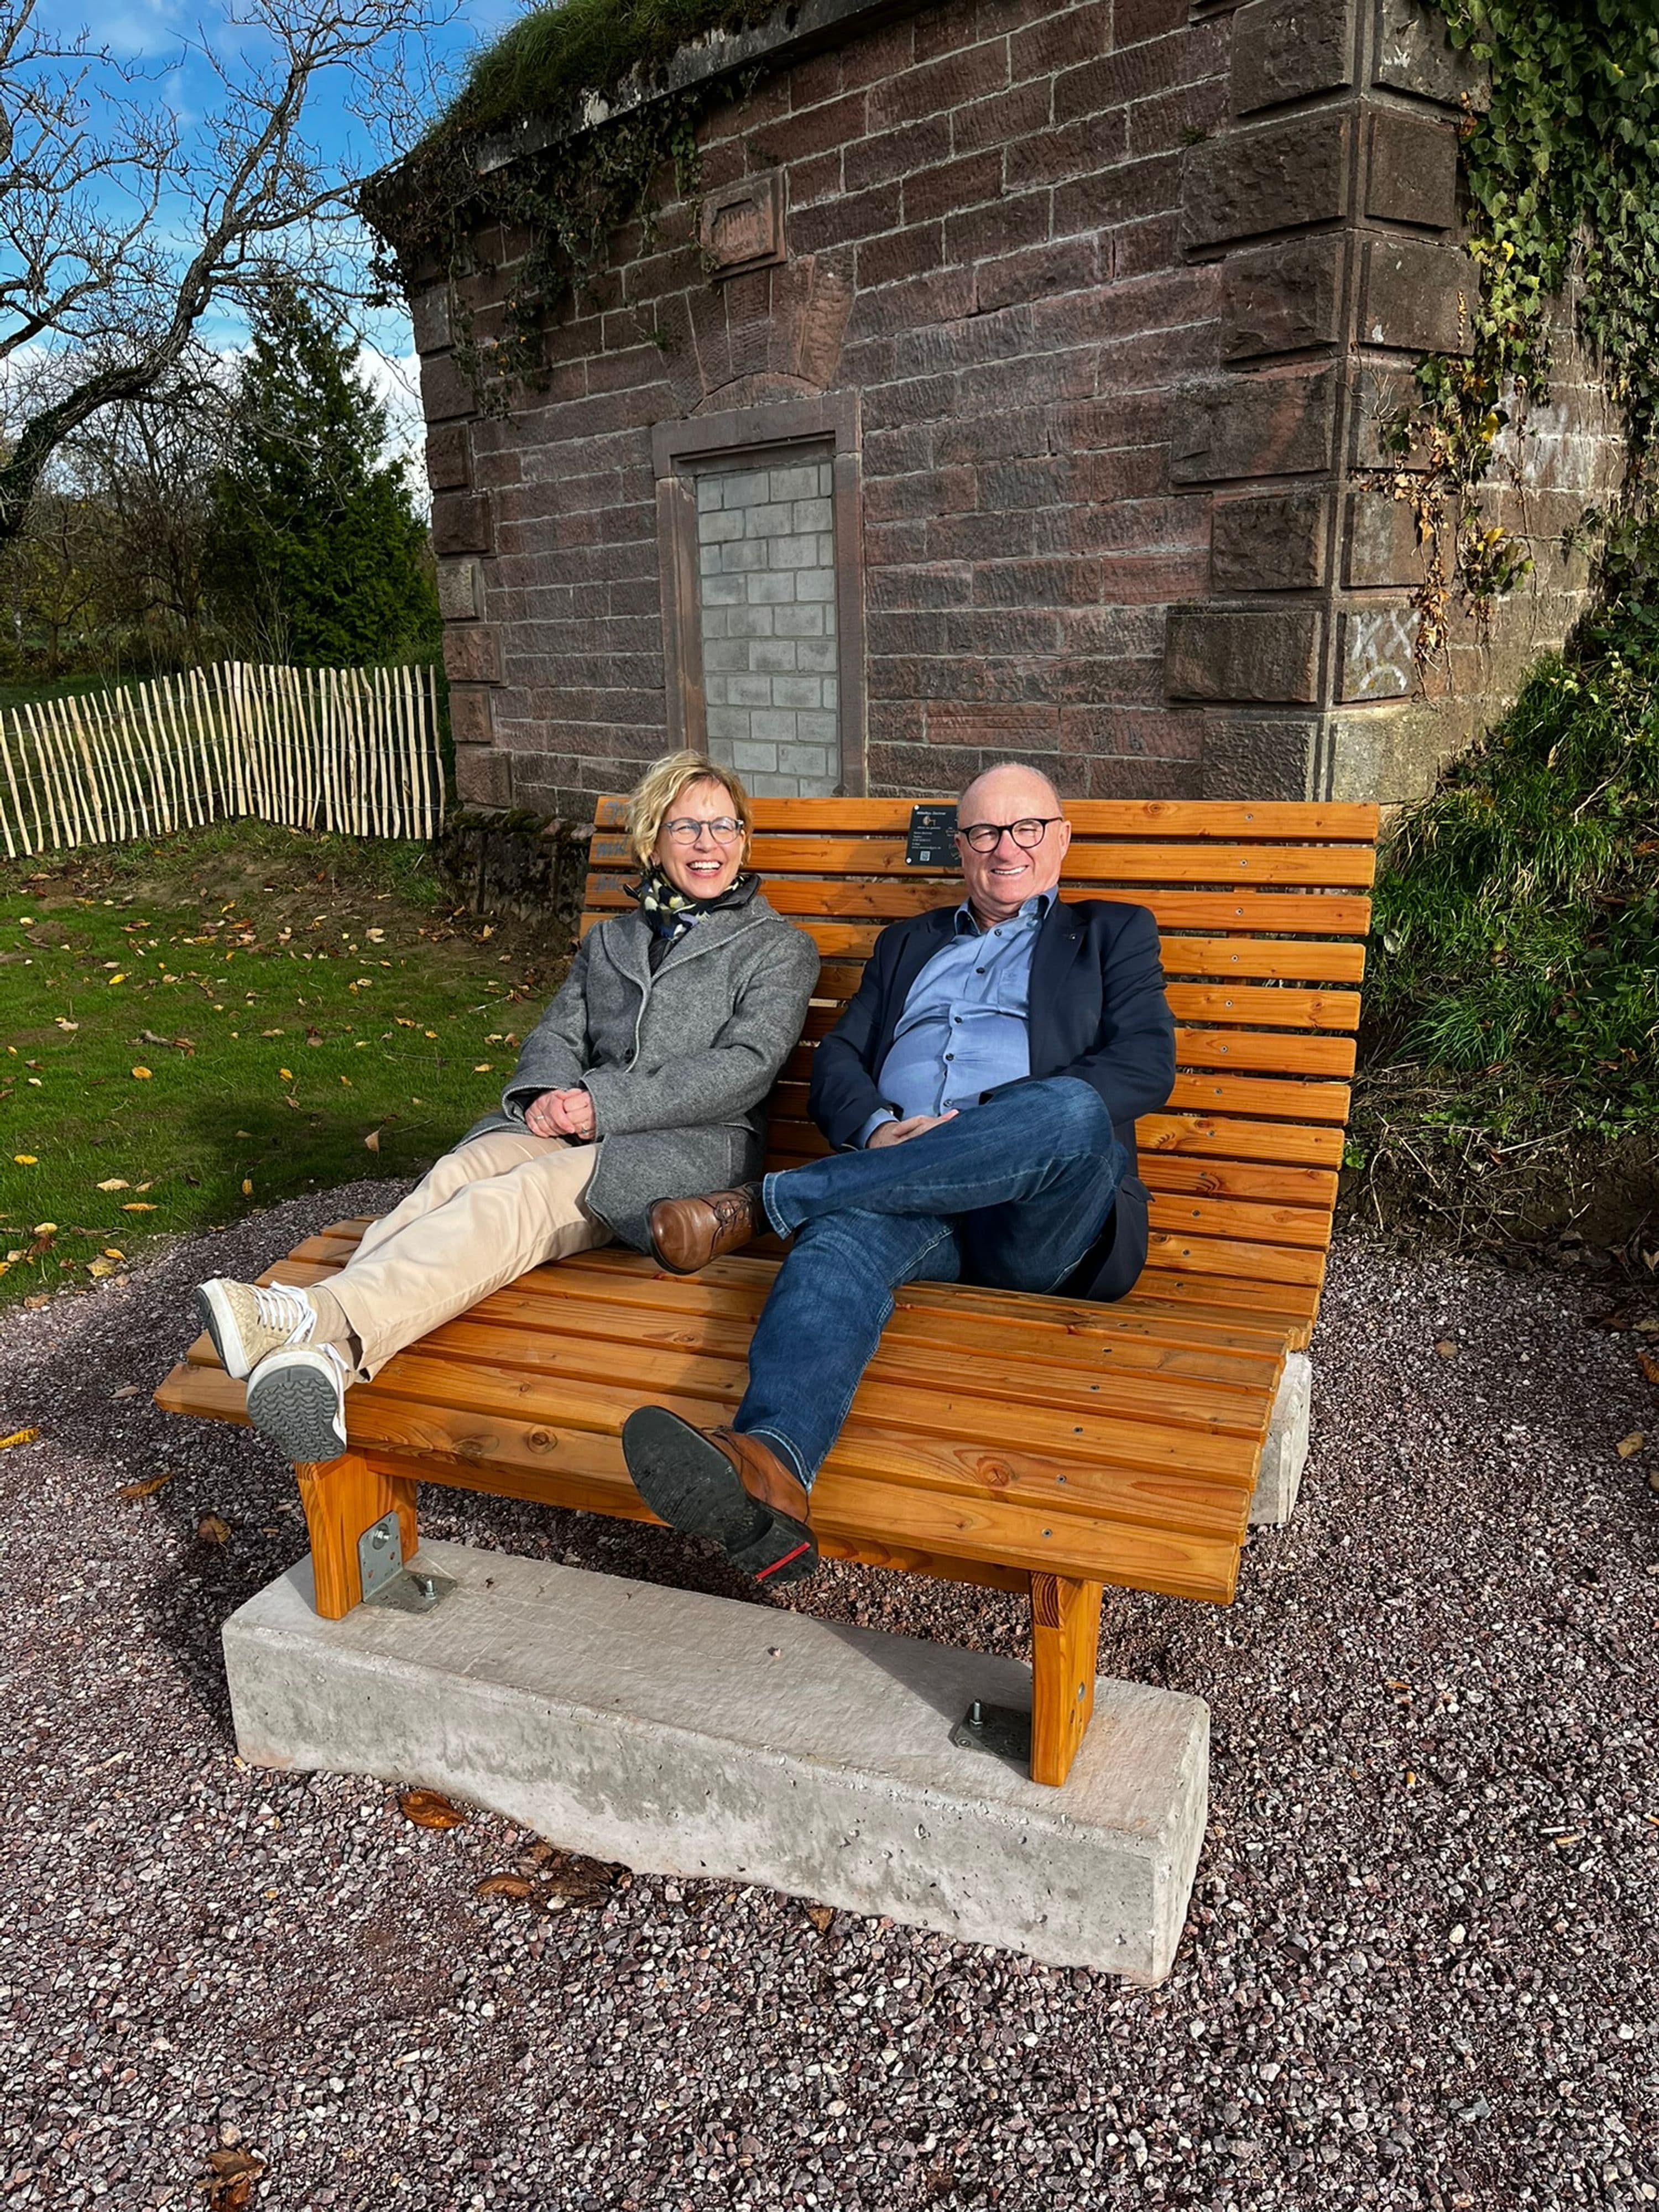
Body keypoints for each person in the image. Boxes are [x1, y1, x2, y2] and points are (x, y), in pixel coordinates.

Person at [619, 761, 1177, 1588]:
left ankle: (769, 1204)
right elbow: (840, 1059)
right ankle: (771, 1471)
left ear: (1061, 839)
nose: (1006, 848)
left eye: (1027, 828)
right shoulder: (908, 944)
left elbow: (1145, 1066)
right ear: (961, 847)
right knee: (838, 1242)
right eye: (984, 832)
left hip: (1041, 1218)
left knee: (1070, 1108)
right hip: (902, 1197)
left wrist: (981, 1125)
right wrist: (880, 1130)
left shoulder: (1111, 932)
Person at [192, 750, 819, 1464]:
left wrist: (600, 1103)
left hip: (692, 1151)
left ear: (743, 839)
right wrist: (547, 1095)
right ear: (652, 841)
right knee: (457, 1174)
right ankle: (328, 1362)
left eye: (724, 826)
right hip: (582, 1122)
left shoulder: (777, 948)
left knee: (517, 1196)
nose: (709, 844)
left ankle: (311, 1313)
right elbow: (558, 1034)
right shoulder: (611, 940)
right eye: (687, 827)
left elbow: (744, 1069)